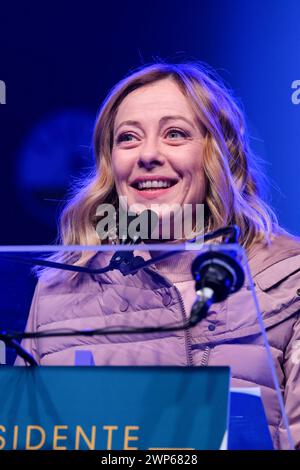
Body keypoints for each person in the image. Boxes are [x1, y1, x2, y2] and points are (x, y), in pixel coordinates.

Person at [15, 62, 300, 450]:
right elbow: (24, 436)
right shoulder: (59, 289)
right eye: (128, 138)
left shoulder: (290, 278)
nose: (148, 154)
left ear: (219, 155)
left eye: (175, 134)